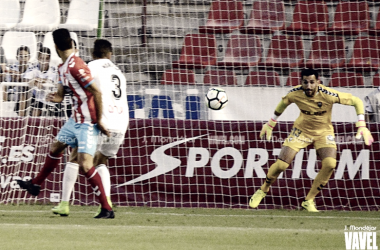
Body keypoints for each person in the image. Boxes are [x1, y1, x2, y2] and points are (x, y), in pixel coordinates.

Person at [17, 28, 114, 219]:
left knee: (86, 165)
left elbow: (97, 92)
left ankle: (106, 208)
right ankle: (36, 184)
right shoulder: (63, 67)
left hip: (87, 121)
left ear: (55, 47)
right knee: (55, 147)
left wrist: (99, 121)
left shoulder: (76, 66)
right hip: (75, 119)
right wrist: (57, 98)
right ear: (71, 43)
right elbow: (62, 95)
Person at [249, 68, 374, 212]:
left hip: (323, 132)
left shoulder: (328, 95)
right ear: (301, 82)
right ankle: (263, 190)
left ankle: (308, 200)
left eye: (312, 82)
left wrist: (362, 124)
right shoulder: (295, 93)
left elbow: (356, 101)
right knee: (282, 165)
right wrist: (271, 122)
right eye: (305, 82)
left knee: (330, 164)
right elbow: (283, 103)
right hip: (301, 131)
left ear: (318, 82)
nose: (308, 86)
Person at [51, 39, 128, 216]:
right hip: (121, 122)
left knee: (75, 157)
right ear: (110, 54)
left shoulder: (89, 66)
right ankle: (106, 202)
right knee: (101, 161)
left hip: (101, 120)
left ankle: (64, 204)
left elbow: (81, 89)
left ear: (93, 54)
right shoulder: (118, 72)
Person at [23, 47, 71, 117]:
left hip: (51, 98)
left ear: (49, 59)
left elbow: (51, 81)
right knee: (34, 112)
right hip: (37, 98)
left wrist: (37, 79)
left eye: (47, 59)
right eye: (42, 58)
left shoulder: (54, 68)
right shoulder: (33, 67)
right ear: (38, 59)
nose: (44, 61)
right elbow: (26, 79)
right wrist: (35, 82)